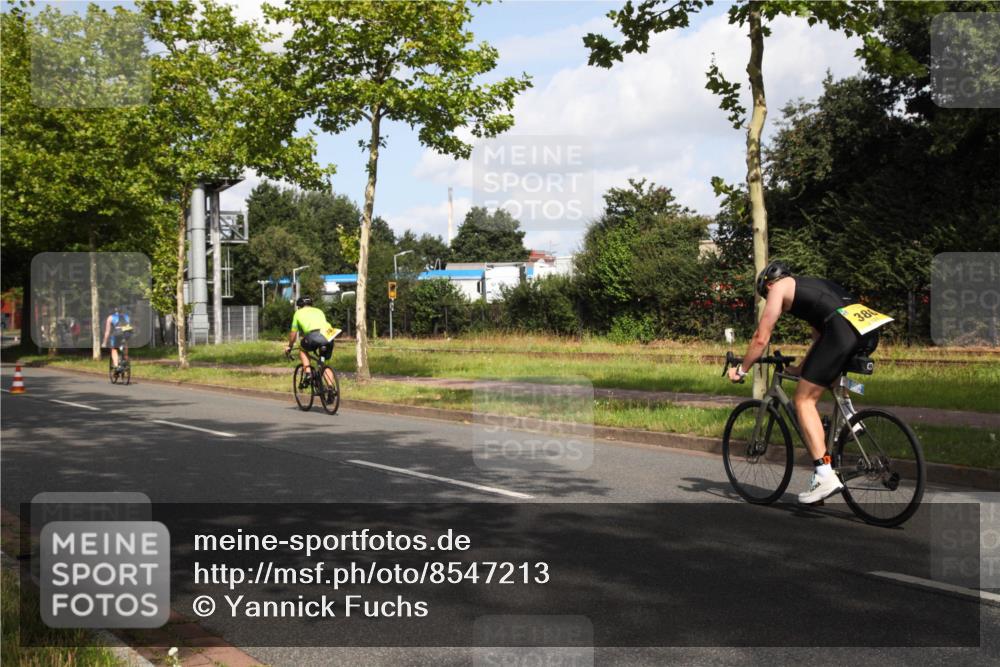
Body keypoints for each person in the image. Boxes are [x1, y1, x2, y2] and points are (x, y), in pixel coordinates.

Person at [726, 261, 881, 504]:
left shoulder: (777, 288)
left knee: (803, 400)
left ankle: (824, 474)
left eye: (765, 295)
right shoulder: (809, 287)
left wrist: (742, 370)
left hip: (842, 332)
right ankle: (851, 420)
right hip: (868, 329)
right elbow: (820, 339)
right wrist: (802, 368)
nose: (774, 303)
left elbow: (761, 338)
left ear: (768, 284)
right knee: (826, 377)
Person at [285, 296, 338, 391]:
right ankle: (330, 388)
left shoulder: (298, 313)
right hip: (329, 334)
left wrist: (290, 346)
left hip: (313, 335)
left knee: (302, 349)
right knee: (324, 364)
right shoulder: (319, 310)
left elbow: (293, 334)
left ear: (299, 306)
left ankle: (308, 373)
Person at [102, 305, 132, 371]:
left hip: (117, 334)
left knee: (114, 349)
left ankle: (116, 366)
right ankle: (126, 359)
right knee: (125, 344)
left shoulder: (110, 317)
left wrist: (104, 342)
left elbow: (107, 331)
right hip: (127, 333)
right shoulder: (127, 316)